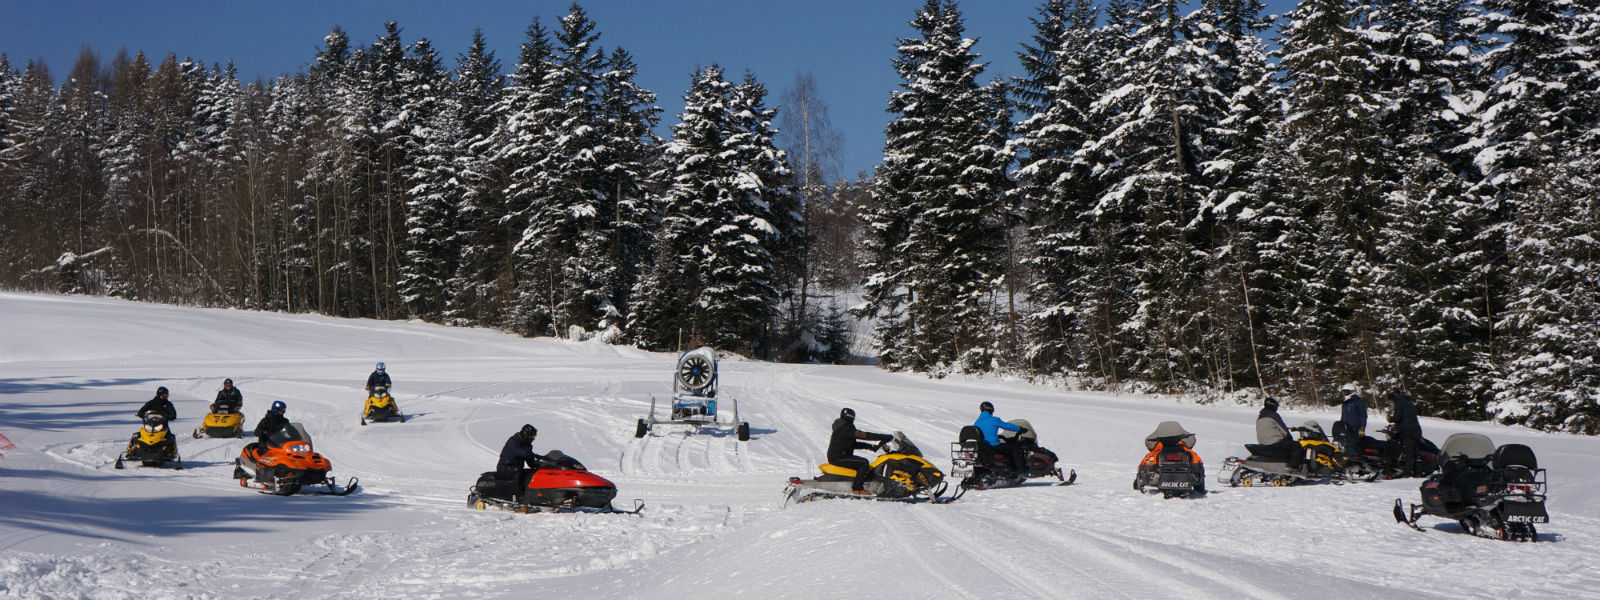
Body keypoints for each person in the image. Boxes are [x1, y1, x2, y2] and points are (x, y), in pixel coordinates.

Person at [828, 408, 893, 495]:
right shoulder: (845, 427)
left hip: (838, 456)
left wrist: (870, 447)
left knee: (862, 463)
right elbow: (864, 435)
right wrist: (883, 437)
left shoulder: (842, 426)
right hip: (838, 458)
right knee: (863, 463)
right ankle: (857, 489)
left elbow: (852, 444)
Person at [973, 401, 1027, 475]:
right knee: (1014, 447)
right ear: (991, 410)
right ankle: (1020, 470)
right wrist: (1020, 429)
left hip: (983, 448)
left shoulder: (977, 422)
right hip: (992, 446)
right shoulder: (994, 420)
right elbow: (1007, 426)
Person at [496, 424, 546, 494]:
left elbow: (530, 462)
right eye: (532, 436)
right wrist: (527, 453)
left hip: (516, 468)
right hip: (504, 469)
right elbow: (516, 450)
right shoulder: (513, 441)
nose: (533, 439)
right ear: (527, 435)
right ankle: (518, 495)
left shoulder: (527, 445)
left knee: (531, 473)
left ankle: (533, 494)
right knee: (517, 472)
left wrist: (541, 465)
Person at [1254, 397, 1300, 468]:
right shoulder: (1273, 415)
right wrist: (1289, 437)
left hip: (1263, 443)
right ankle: (1294, 467)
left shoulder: (1260, 416)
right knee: (1297, 445)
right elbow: (1283, 429)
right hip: (1274, 442)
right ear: (1273, 406)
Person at [1387, 389, 1423, 476]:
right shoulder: (1409, 401)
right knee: (1416, 452)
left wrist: (1390, 419)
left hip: (1408, 430)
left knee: (1408, 452)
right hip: (1416, 429)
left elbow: (1397, 417)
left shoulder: (1399, 402)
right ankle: (1418, 472)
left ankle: (1407, 473)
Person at [1337, 383, 1367, 451]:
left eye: (1346, 392)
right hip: (1346, 429)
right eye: (1344, 392)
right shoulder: (1345, 403)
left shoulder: (1358, 402)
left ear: (1351, 392)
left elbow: (1363, 416)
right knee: (1346, 446)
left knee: (1356, 447)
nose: (1345, 393)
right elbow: (1343, 415)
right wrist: (1341, 426)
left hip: (1356, 430)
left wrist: (1362, 429)